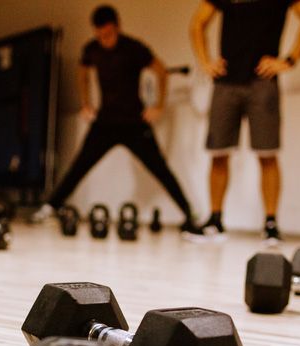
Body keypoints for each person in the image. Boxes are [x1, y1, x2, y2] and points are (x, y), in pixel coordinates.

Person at [30, 5, 202, 235]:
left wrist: (158, 106)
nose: (105, 40)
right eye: (100, 35)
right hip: (105, 123)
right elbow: (82, 73)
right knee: (79, 165)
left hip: (134, 123)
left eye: (109, 34)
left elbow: (160, 71)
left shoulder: (133, 48)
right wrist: (85, 103)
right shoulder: (91, 49)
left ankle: (190, 213)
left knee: (160, 169)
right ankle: (51, 206)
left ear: (117, 27)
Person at [189, 0, 300, 244]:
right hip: (226, 82)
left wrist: (289, 60)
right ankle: (215, 220)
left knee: (267, 152)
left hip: (263, 81)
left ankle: (271, 223)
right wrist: (205, 61)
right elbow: (198, 23)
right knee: (218, 152)